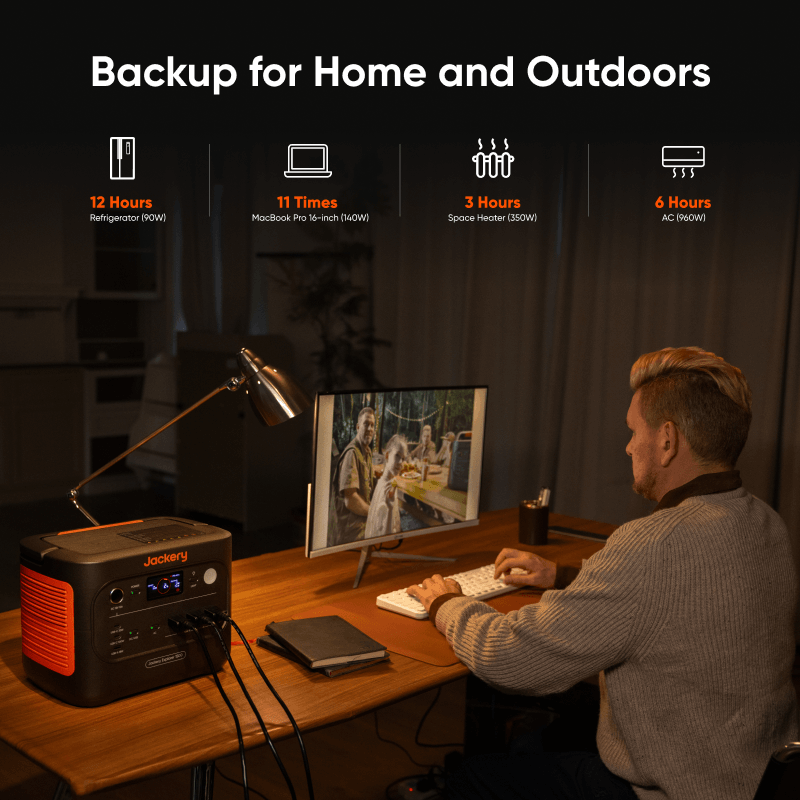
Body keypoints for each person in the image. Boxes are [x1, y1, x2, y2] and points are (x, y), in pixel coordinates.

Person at [408, 347, 799, 800]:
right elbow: (683, 593)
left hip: (672, 790)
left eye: (634, 431)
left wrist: (447, 603)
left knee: (469, 778)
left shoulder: (652, 544)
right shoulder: (767, 523)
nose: (629, 446)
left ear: (668, 441)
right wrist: (563, 574)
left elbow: (510, 658)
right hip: (754, 777)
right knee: (534, 744)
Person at [328, 407, 375, 546]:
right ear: (358, 426)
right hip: (350, 533)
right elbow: (351, 500)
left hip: (361, 524)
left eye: (372, 425)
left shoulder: (366, 451)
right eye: (366, 424)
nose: (370, 429)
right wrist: (374, 513)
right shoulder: (352, 454)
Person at [364, 434, 408, 539]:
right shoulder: (386, 489)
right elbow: (383, 530)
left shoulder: (390, 481)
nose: (400, 462)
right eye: (397, 455)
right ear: (387, 455)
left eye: (403, 458)